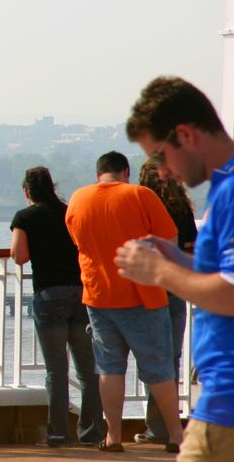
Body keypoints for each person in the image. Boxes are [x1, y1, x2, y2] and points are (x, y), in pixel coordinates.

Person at [116, 76, 234, 461]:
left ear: (186, 134)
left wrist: (160, 272)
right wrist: (176, 258)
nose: (162, 172)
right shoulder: (222, 187)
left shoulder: (230, 190)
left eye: (161, 156)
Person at [64, 151, 183, 452]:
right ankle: (175, 436)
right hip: (143, 294)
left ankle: (113, 436)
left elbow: (79, 242)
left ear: (98, 173)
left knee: (110, 369)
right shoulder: (140, 195)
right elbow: (169, 241)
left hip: (99, 295)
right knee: (159, 369)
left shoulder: (78, 199)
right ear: (125, 171)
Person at [9, 166, 103, 448]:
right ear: (52, 187)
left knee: (56, 369)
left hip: (49, 295)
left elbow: (19, 256)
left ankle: (59, 434)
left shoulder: (24, 217)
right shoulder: (70, 211)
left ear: (27, 192)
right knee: (87, 369)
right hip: (81, 294)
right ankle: (92, 433)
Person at [135, 160, 197, 446]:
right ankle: (166, 425)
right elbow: (190, 249)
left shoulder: (140, 206)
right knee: (171, 360)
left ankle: (157, 426)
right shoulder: (182, 210)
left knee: (152, 361)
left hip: (148, 292)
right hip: (175, 290)